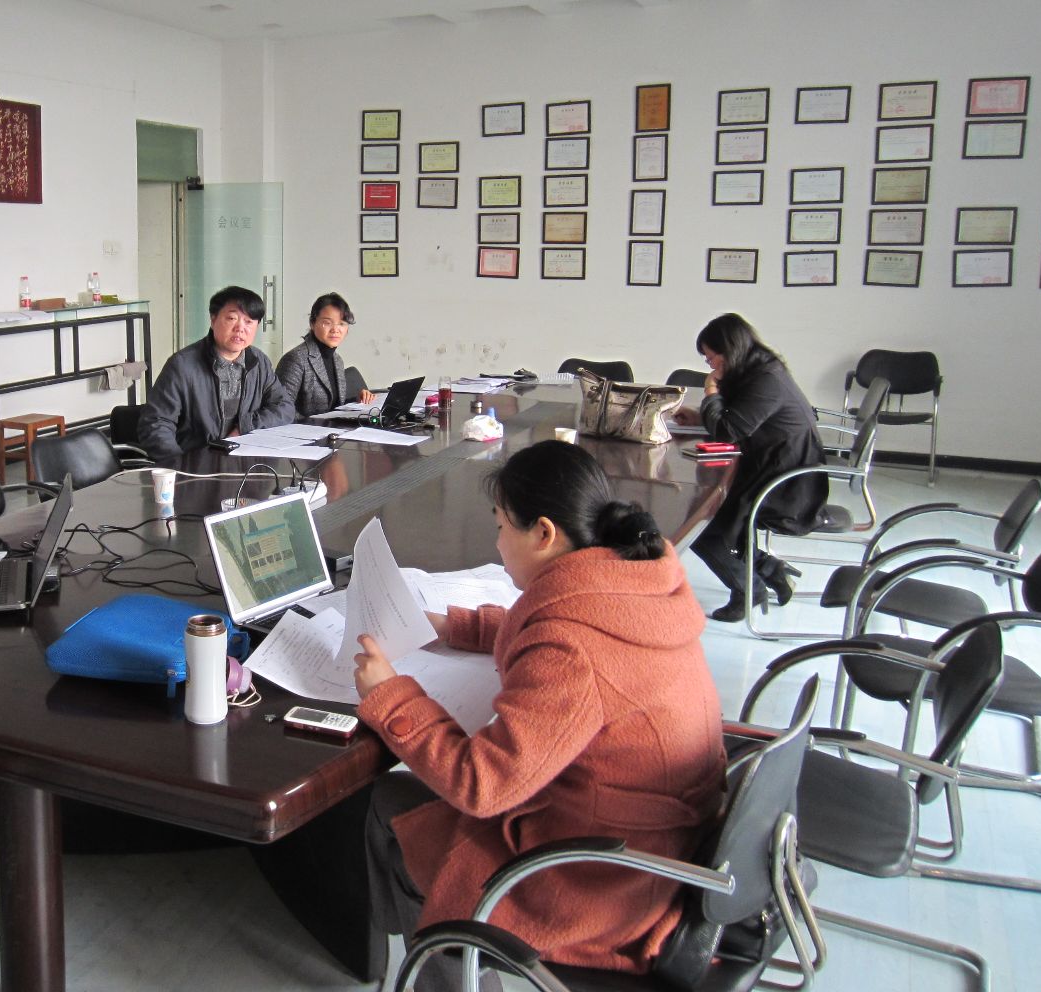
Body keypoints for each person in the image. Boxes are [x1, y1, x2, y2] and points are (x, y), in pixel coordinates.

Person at [353, 440, 724, 986]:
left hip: (599, 880)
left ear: (544, 533)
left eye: (502, 526)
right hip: (662, 844)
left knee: (391, 804)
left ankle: (443, 946)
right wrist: (455, 626)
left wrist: (391, 695)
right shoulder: (630, 583)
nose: (497, 542)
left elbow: (482, 784)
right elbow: (553, 625)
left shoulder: (570, 650)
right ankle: (409, 942)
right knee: (411, 809)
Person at [679, 313, 827, 622]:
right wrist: (703, 415)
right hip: (770, 465)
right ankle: (771, 570)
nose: (710, 365)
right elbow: (739, 419)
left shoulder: (766, 380)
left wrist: (711, 392)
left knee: (702, 526)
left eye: (711, 358)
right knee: (708, 518)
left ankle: (750, 589)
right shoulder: (758, 368)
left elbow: (728, 430)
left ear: (729, 350)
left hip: (787, 483)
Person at [137, 284, 294, 461]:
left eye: (249, 322)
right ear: (213, 320)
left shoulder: (258, 361)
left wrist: (245, 426)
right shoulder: (182, 365)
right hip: (196, 463)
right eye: (232, 318)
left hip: (245, 461)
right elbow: (156, 423)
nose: (240, 328)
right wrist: (178, 465)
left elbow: (284, 407)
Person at [275, 292, 377, 417]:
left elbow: (333, 406)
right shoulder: (295, 359)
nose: (335, 330)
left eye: (341, 324)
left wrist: (357, 401)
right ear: (312, 323)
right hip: (305, 428)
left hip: (331, 427)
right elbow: (281, 410)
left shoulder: (337, 360)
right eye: (327, 323)